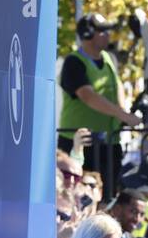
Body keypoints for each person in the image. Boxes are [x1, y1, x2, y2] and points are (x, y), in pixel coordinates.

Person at [58, 13, 142, 190]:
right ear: (87, 34)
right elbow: (88, 96)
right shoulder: (73, 62)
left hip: (108, 143)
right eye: (102, 31)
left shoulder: (108, 58)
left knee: (109, 193)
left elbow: (117, 86)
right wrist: (124, 116)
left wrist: (124, 111)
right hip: (80, 144)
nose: (108, 35)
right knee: (76, 192)